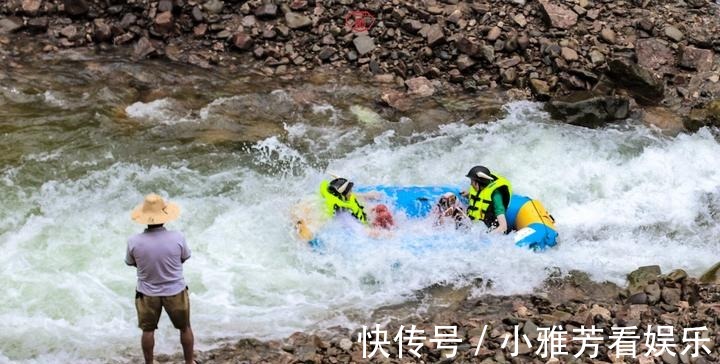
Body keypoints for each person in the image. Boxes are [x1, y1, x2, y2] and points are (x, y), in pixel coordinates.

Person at [125, 194, 195, 364]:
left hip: (147, 293)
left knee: (147, 331)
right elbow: (184, 257)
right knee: (185, 328)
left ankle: (149, 363)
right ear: (165, 216)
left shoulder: (134, 241)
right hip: (175, 291)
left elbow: (131, 262)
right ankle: (189, 362)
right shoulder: (178, 237)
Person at [464, 165, 512, 234]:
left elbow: (503, 227)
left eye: (472, 181)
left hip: (488, 228)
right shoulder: (479, 188)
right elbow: (479, 197)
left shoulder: (496, 196)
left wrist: (486, 236)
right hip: (475, 224)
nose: (471, 184)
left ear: (479, 183)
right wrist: (468, 194)